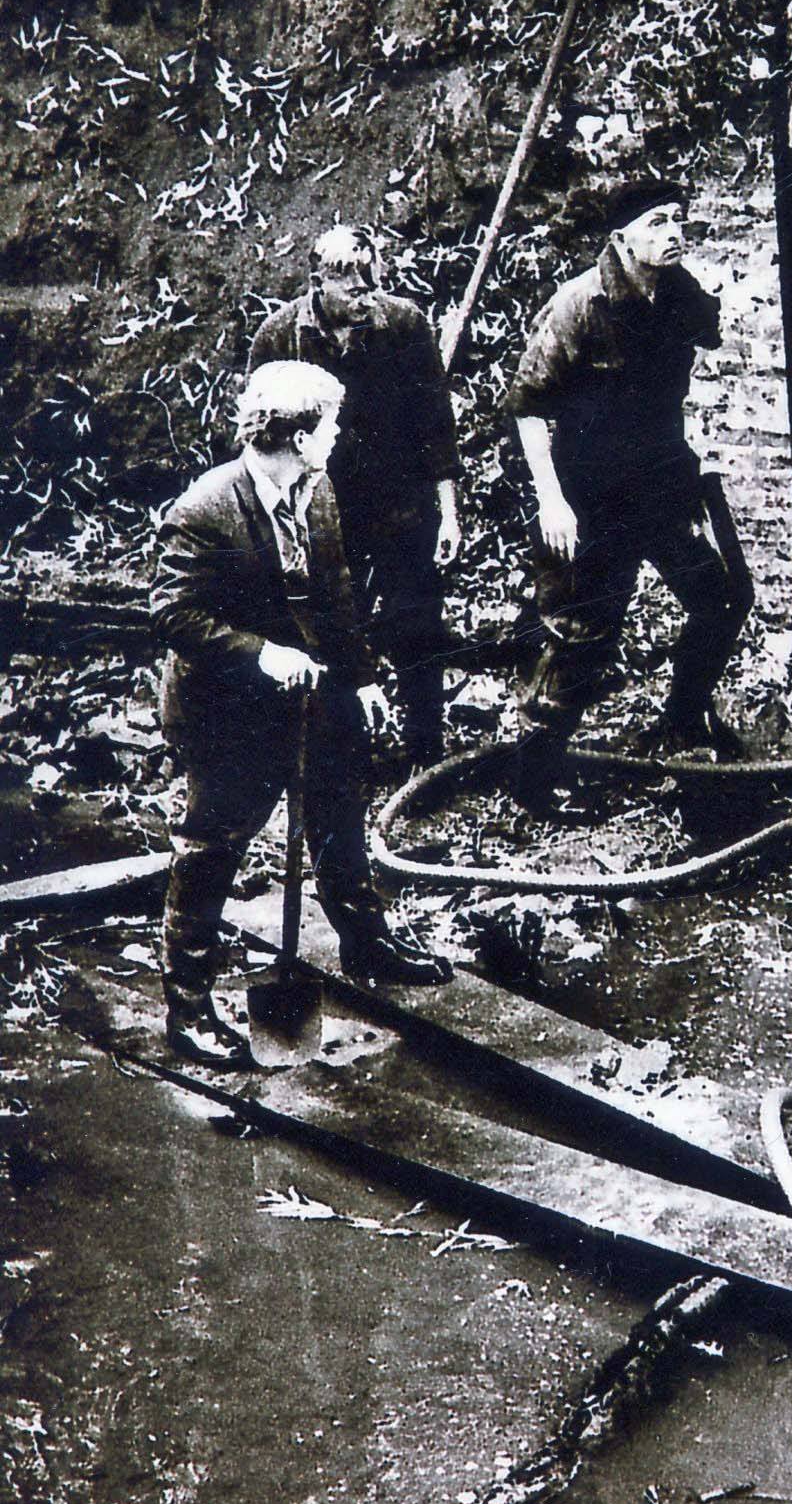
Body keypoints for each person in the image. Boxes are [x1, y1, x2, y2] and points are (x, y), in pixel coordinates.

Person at [154, 360, 451, 1070]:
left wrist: (364, 679)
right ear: (296, 432)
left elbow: (337, 593)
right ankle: (188, 1008)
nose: (341, 434)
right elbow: (171, 612)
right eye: (333, 423)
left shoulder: (316, 492)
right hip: (227, 710)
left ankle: (366, 942)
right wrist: (260, 653)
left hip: (315, 698)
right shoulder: (206, 508)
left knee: (340, 814)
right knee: (211, 847)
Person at [506, 180, 754, 806]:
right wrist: (551, 499)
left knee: (720, 599)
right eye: (656, 223)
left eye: (677, 219)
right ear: (621, 238)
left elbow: (713, 336)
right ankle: (533, 779)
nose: (673, 232)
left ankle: (681, 721)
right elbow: (528, 406)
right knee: (583, 635)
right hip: (592, 497)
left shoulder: (678, 293)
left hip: (663, 488)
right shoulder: (579, 305)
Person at [248, 224, 461, 771]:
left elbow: (437, 425)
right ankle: (339, 753)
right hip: (318, 510)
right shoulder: (278, 337)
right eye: (354, 289)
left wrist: (449, 514)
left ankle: (424, 753)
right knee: (332, 628)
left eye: (374, 284)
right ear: (320, 282)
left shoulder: (405, 326)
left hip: (400, 508)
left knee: (418, 626)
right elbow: (256, 437)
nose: (367, 298)